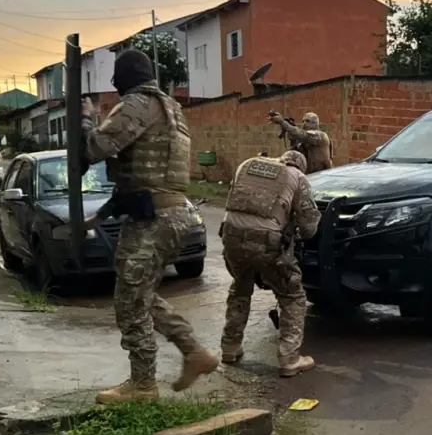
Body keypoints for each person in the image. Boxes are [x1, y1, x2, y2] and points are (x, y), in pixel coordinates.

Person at [81, 49, 219, 404]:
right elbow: (140, 177)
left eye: (116, 77)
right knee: (138, 293)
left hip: (155, 218)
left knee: (129, 301)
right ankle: (194, 351)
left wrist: (86, 118)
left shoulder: (137, 104)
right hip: (169, 213)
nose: (114, 84)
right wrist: (98, 218)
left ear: (125, 78)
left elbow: (97, 147)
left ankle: (143, 385)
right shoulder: (170, 108)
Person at [219, 149, 321, 377]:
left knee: (240, 289)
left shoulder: (247, 163)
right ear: (300, 165)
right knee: (292, 295)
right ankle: (290, 359)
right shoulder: (297, 176)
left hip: (231, 237)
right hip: (266, 244)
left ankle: (229, 347)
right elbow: (309, 226)